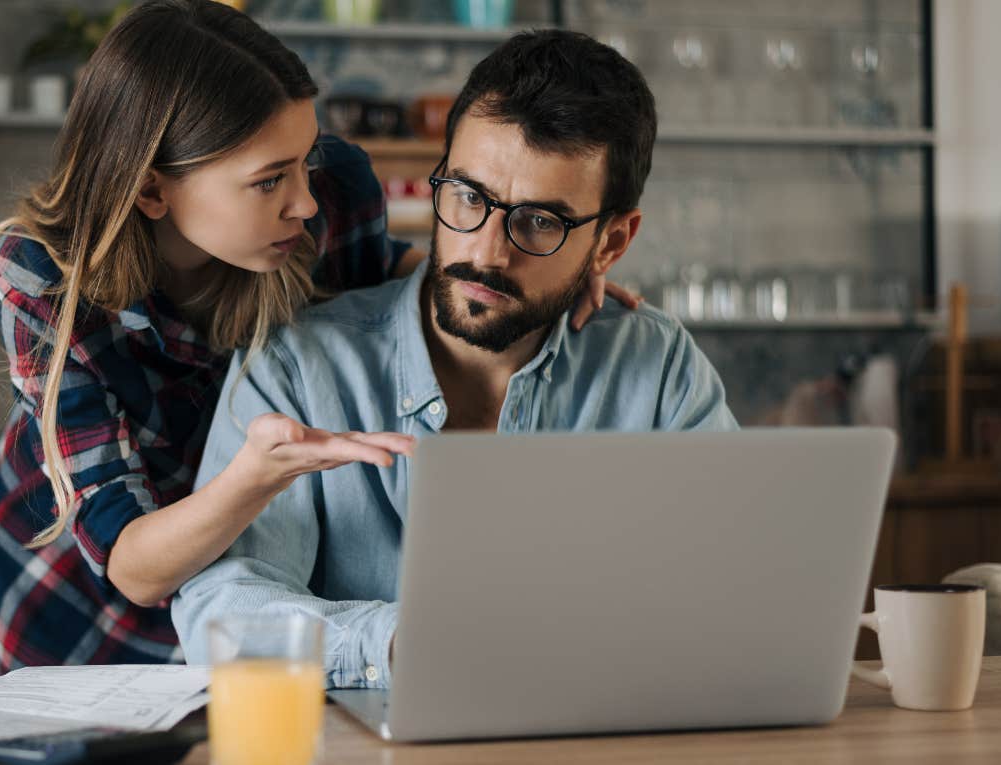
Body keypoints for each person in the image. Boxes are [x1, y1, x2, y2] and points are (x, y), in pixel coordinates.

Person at [0, 2, 635, 671]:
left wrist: (545, 269)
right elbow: (134, 567)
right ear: (154, 192)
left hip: (246, 571)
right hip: (92, 589)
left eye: (303, 159)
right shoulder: (44, 279)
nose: (304, 200)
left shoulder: (329, 194)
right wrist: (254, 475)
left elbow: (403, 289)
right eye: (269, 180)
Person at [173, 29, 740, 689]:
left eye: (538, 222)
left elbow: (729, 582)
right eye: (469, 198)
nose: (488, 253)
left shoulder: (659, 365)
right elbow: (223, 610)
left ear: (611, 241)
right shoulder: (299, 365)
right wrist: (392, 642)